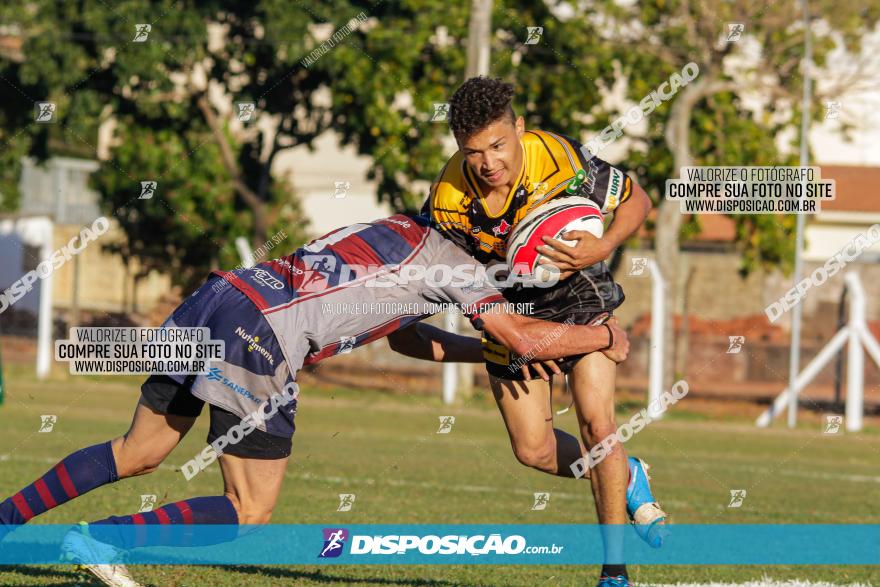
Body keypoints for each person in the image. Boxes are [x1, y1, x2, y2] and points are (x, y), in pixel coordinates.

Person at [0, 214, 630, 587]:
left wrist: (478, 354)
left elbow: (408, 336)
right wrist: (605, 334)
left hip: (224, 295)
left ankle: (5, 520)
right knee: (249, 509)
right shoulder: (464, 267)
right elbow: (518, 334)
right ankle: (102, 541)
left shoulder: (397, 228)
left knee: (138, 451)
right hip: (264, 334)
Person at [415, 76, 666, 587]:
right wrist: (516, 334)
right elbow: (449, 278)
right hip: (513, 308)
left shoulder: (557, 157)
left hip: (578, 288)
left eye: (499, 145)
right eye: (473, 151)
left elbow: (638, 200)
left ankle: (614, 573)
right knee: (534, 450)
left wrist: (602, 247)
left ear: (519, 130)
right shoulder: (447, 201)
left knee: (599, 427)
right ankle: (630, 472)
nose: (488, 163)